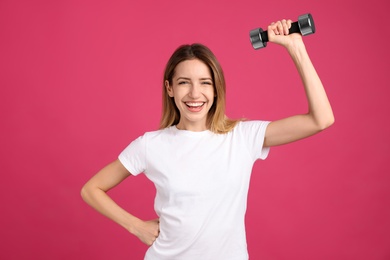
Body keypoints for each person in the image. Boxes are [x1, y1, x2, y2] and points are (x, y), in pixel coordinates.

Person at [81, 18, 334, 260]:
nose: (194, 93)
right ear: (170, 88)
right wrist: (136, 226)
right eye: (183, 83)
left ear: (216, 89)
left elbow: (320, 119)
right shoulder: (151, 145)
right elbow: (91, 189)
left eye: (205, 83)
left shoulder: (242, 137)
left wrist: (296, 47)